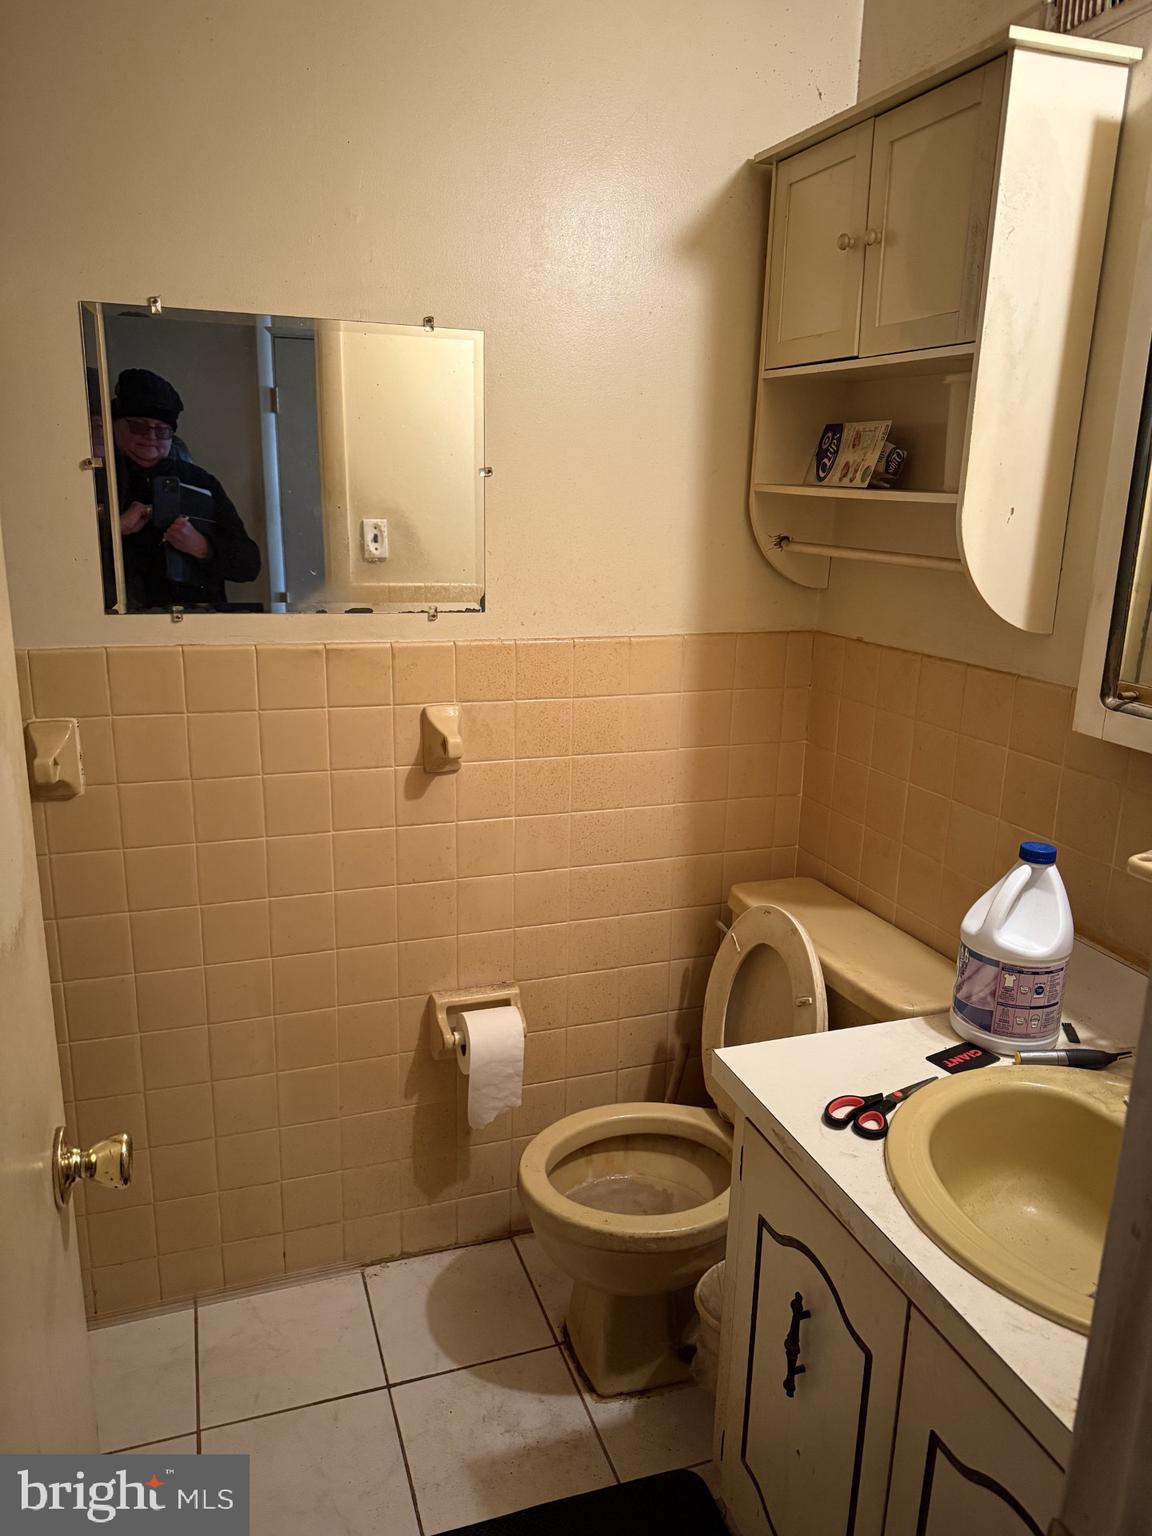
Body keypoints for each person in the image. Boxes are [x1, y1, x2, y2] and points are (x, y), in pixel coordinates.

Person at [106, 368, 261, 610]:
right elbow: (65, 559)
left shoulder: (200, 482)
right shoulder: (97, 481)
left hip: (197, 621)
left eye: (163, 429)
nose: (151, 436)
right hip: (121, 624)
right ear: (114, 426)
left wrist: (202, 547)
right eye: (138, 426)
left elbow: (250, 564)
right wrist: (115, 530)